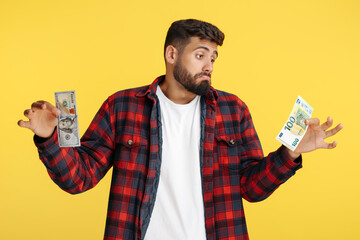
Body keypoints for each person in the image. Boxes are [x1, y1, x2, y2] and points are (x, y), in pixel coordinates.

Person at [18, 19, 343, 240]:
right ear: (171, 54)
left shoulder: (233, 109)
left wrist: (291, 152)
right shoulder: (122, 106)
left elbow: (251, 188)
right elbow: (80, 178)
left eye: (213, 57)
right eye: (200, 55)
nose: (209, 66)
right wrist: (50, 138)